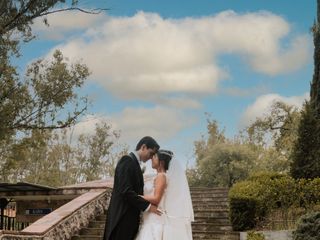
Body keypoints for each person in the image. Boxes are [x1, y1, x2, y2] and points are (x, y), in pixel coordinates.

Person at [103, 136, 162, 240]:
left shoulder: (134, 163)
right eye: (151, 153)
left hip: (129, 220)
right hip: (121, 219)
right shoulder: (126, 161)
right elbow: (125, 191)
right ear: (143, 147)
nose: (151, 157)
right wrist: (148, 206)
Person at [135, 149, 194, 240]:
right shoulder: (159, 176)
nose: (151, 159)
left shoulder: (161, 176)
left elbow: (156, 198)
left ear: (161, 162)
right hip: (151, 218)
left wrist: (138, 197)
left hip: (154, 219)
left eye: (154, 157)